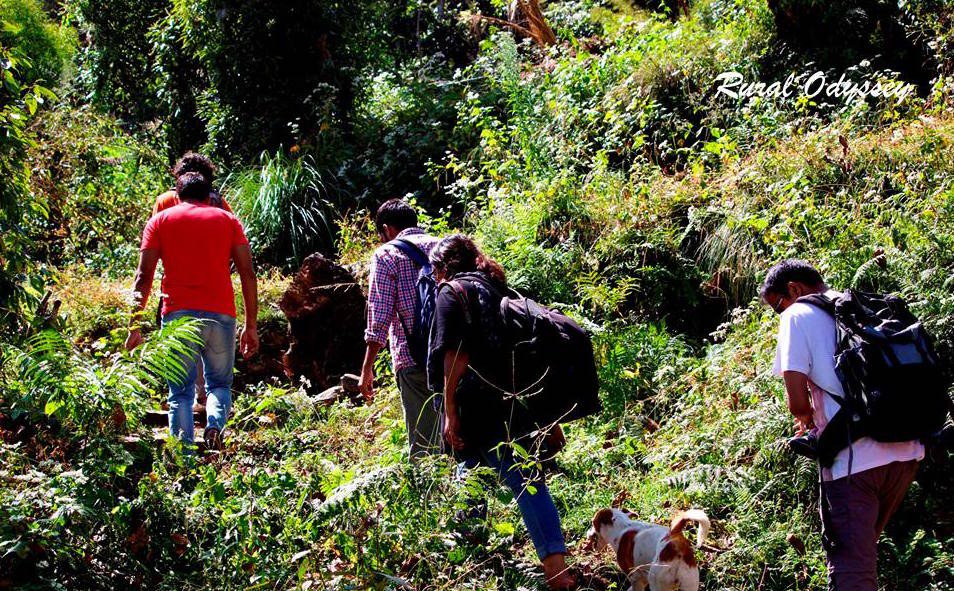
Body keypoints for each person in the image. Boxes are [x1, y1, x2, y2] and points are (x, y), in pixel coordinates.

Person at [762, 259, 924, 591]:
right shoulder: (857, 307)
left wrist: (806, 418)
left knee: (851, 569)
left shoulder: (797, 315)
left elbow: (796, 401)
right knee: (861, 557)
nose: (779, 314)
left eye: (777, 306)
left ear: (794, 289)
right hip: (906, 452)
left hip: (854, 462)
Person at [426, 234, 574, 590]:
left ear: (445, 267)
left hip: (475, 408)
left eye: (434, 271)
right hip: (510, 403)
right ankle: (557, 572)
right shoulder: (496, 288)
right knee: (523, 483)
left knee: (472, 482)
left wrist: (450, 412)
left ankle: (469, 564)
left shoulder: (452, 292)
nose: (433, 278)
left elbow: (455, 356)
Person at [126, 171, 259, 451]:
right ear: (209, 195)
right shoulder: (228, 220)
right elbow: (247, 273)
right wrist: (251, 325)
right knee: (220, 384)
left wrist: (134, 326)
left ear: (178, 195)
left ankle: (183, 456)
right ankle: (214, 427)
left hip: (177, 316)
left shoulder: (160, 221)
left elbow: (143, 277)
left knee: (180, 392)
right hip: (221, 314)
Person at [359, 198, 442, 458]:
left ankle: (434, 496)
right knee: (460, 434)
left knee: (425, 447)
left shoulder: (387, 254)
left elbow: (380, 315)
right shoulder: (444, 246)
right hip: (455, 352)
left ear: (386, 229)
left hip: (413, 357)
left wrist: (367, 368)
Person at [152, 152, 233, 407]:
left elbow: (154, 242)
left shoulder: (166, 201)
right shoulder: (220, 204)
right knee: (213, 355)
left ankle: (191, 401)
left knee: (184, 345)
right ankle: (205, 400)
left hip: (176, 288)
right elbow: (235, 245)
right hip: (216, 290)